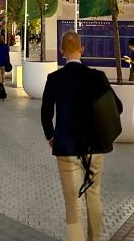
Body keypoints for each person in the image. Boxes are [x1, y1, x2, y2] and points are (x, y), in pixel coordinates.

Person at [41, 31, 115, 241]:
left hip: (66, 146)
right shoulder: (97, 76)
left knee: (72, 203)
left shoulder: (55, 78)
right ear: (82, 49)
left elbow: (46, 113)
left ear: (62, 51)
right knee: (94, 195)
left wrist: (51, 136)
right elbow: (116, 107)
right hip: (95, 147)